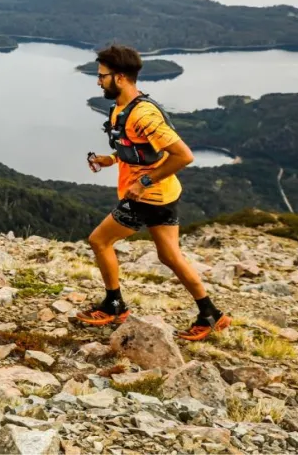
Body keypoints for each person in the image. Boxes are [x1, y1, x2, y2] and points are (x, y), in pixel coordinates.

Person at [75, 44, 231, 341]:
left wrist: (143, 182)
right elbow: (139, 150)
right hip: (164, 194)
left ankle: (114, 305)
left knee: (99, 240)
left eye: (102, 76)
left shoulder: (144, 114)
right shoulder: (122, 108)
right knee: (170, 256)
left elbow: (183, 155)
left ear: (120, 77)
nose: (98, 82)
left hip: (147, 197)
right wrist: (110, 159)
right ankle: (211, 314)